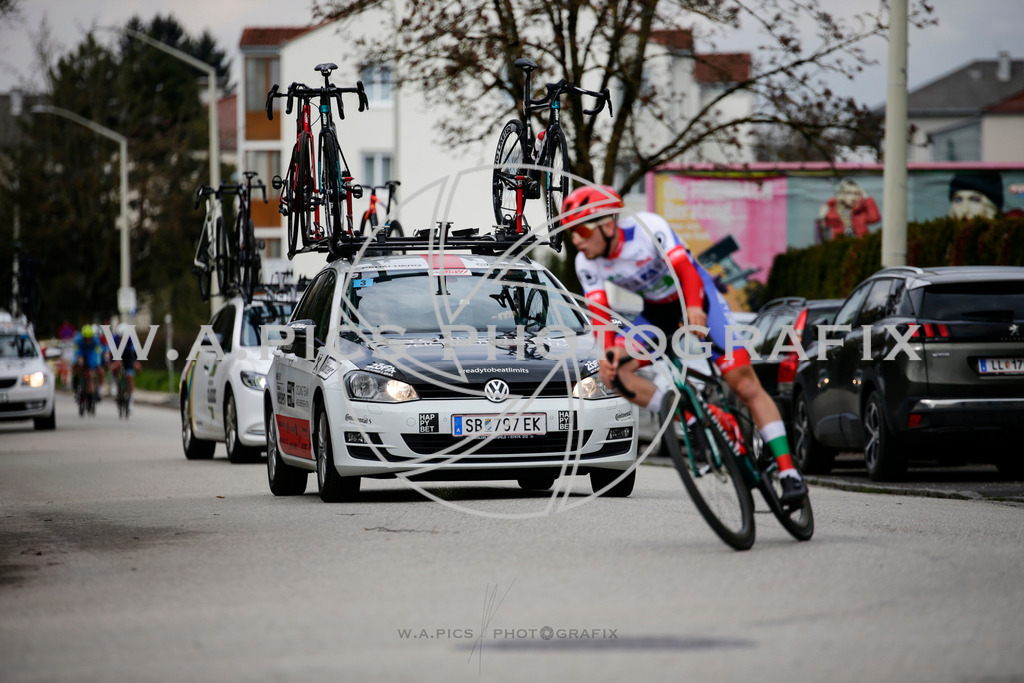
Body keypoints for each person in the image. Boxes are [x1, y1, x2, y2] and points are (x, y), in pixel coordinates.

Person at [564, 185, 807, 506]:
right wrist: (608, 352)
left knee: (744, 385)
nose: (576, 240)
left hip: (700, 299)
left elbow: (687, 272)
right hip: (656, 316)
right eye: (570, 233)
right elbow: (599, 314)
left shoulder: (649, 228)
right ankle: (685, 412)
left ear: (608, 225)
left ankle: (789, 473)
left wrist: (693, 308)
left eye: (581, 230)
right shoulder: (587, 263)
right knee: (612, 375)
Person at [816, 178, 880, 242]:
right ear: (842, 194)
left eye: (856, 194)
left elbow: (875, 218)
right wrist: (830, 203)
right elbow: (825, 224)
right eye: (848, 193)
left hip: (860, 247)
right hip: (840, 247)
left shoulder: (860, 212)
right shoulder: (833, 211)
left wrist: (867, 198)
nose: (853, 197)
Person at [72, 324, 102, 409]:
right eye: (86, 338)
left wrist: (98, 364)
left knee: (91, 375)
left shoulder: (96, 341)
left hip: (91, 354)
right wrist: (76, 362)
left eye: (90, 338)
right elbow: (76, 352)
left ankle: (90, 397)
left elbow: (97, 353)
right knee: (77, 366)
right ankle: (76, 380)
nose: (88, 340)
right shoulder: (78, 340)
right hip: (81, 352)